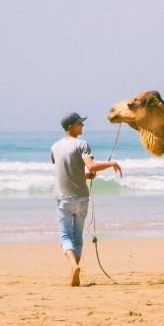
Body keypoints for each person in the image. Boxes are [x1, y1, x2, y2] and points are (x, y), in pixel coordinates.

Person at [51, 112, 121, 286]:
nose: (82, 126)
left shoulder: (54, 147)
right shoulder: (82, 144)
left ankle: (74, 266)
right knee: (77, 237)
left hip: (63, 198)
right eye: (79, 124)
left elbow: (66, 171)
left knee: (65, 235)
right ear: (70, 127)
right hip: (81, 198)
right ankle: (75, 268)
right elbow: (91, 165)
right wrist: (110, 163)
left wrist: (87, 176)